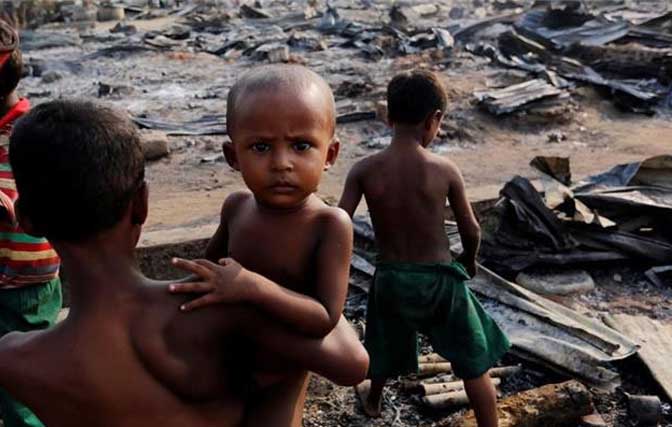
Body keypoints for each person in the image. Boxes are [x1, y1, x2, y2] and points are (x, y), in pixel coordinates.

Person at [0, 99, 368, 427]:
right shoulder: (215, 311)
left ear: (27, 221)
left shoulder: (16, 359)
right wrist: (275, 285)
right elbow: (350, 363)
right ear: (142, 204)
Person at [168, 64, 353, 426]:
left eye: (301, 146)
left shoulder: (329, 225)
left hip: (282, 372)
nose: (281, 163)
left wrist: (253, 287)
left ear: (329, 155)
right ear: (233, 156)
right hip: (231, 361)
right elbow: (210, 277)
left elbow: (323, 319)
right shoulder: (236, 208)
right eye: (261, 147)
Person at [338, 70, 510, 427]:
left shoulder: (364, 170)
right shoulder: (444, 169)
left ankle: (372, 399)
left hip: (391, 279)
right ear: (435, 120)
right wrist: (468, 261)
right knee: (473, 361)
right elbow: (470, 229)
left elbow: (338, 223)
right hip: (439, 283)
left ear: (387, 115)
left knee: (382, 346)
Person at [0, 21, 62, 427]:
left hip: (28, 283)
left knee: (24, 387)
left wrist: (9, 205)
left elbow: (58, 199)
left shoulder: (35, 131)